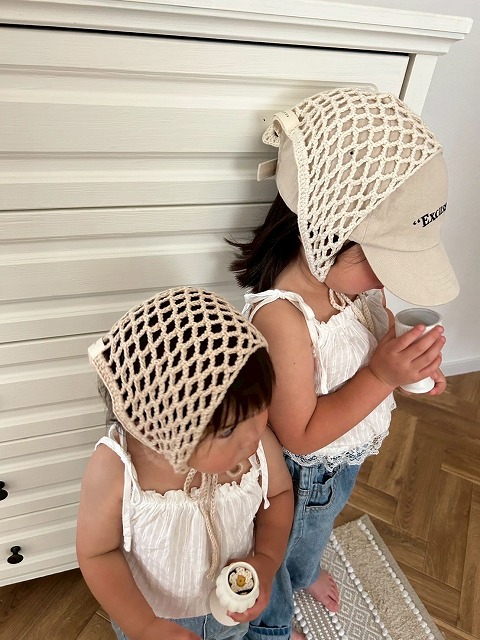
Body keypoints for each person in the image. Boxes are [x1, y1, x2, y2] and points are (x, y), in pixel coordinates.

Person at [228, 87, 459, 640]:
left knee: (314, 534)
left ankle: (305, 571)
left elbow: (371, 343)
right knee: (278, 549)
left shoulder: (353, 287)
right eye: (380, 262)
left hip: (341, 462)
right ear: (324, 232)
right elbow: (301, 435)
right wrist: (382, 375)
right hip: (303, 474)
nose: (386, 280)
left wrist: (410, 366)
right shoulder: (284, 318)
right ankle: (272, 625)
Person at [76, 286, 294, 640]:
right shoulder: (118, 469)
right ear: (166, 430)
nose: (253, 435)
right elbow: (97, 553)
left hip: (233, 606)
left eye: (260, 409)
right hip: (154, 617)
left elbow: (280, 496)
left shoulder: (257, 448)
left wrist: (267, 560)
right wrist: (143, 626)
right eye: (227, 431)